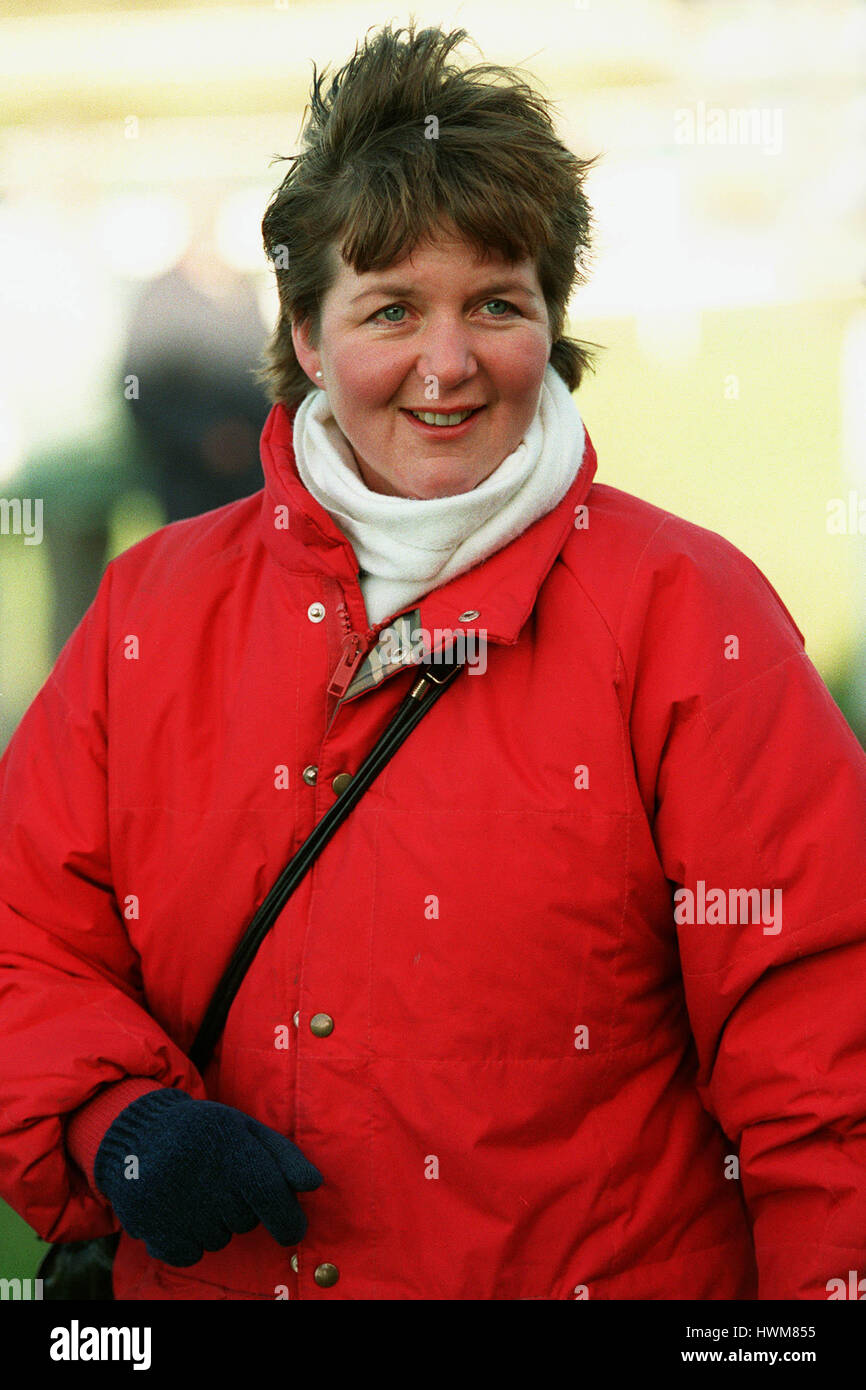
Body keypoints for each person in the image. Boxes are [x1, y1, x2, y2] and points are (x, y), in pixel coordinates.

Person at [1, 21, 865, 1303]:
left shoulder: (690, 615)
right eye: (391, 308)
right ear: (304, 332)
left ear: (551, 320)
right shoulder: (151, 609)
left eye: (495, 305)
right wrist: (111, 1121)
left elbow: (824, 1059)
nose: (446, 366)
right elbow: (26, 938)